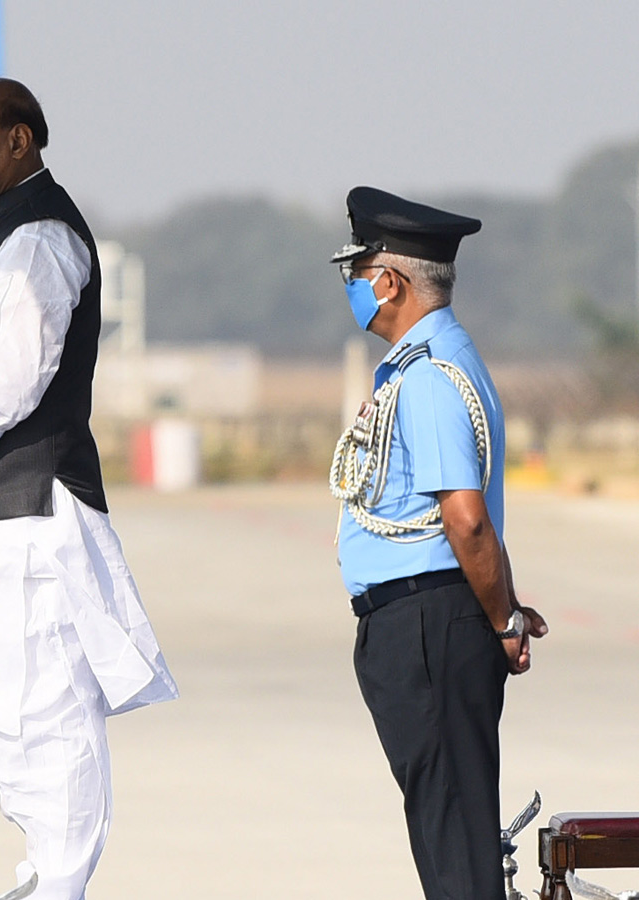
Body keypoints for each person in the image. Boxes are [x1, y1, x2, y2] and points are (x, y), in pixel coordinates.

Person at [0, 77, 178, 900]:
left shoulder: (38, 236)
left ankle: (59, 886)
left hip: (24, 518)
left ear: (21, 141)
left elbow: (14, 378)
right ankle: (47, 881)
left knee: (45, 719)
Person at [328, 186, 549, 900]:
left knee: (453, 838)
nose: (355, 290)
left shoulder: (428, 379)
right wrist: (503, 603)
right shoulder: (426, 364)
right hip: (428, 619)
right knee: (446, 825)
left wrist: (503, 620)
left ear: (388, 282)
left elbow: (468, 520)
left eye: (356, 275)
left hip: (427, 625)